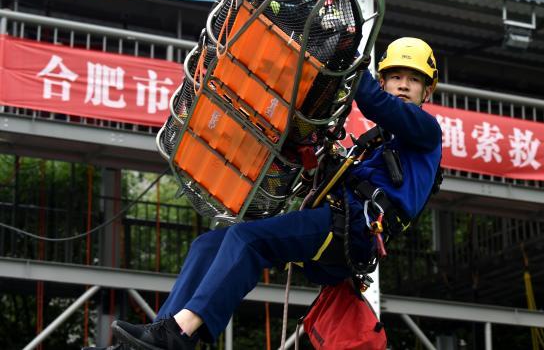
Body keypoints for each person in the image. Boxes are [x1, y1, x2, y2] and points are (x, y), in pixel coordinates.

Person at [86, 37, 442, 350]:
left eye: (413, 80)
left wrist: (347, 56)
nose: (403, 85)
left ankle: (180, 332)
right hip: (336, 224)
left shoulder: (426, 132)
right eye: (396, 77)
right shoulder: (374, 147)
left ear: (427, 92)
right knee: (209, 245)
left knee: (247, 240)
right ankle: (161, 335)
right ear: (385, 80)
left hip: (352, 231)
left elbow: (376, 104)